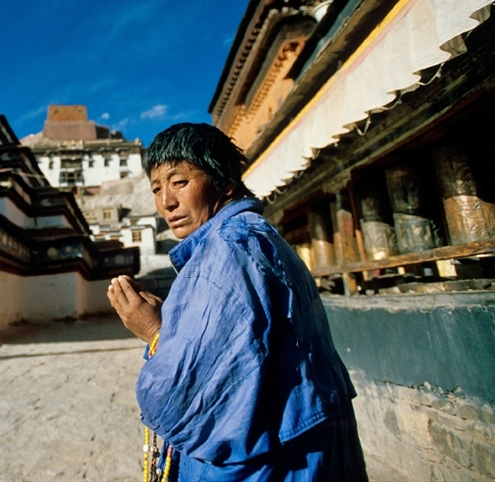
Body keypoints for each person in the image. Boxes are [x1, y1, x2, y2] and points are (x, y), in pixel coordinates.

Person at [108, 123, 367, 481]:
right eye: (157, 188)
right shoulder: (254, 235)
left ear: (225, 183)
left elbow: (192, 394)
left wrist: (153, 329)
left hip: (276, 463)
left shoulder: (228, 248)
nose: (166, 202)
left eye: (180, 182)